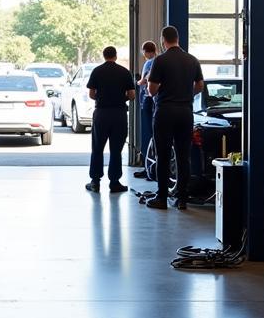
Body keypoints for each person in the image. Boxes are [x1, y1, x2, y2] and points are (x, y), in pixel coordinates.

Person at [146, 26, 204, 210]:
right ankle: (182, 199)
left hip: (165, 112)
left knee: (163, 155)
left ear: (163, 40)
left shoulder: (160, 60)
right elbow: (200, 85)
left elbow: (151, 89)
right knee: (182, 156)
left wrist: (162, 91)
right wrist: (187, 95)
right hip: (185, 112)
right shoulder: (192, 60)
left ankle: (162, 198)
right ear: (178, 39)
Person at [85, 46, 136, 194]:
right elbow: (132, 95)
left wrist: (102, 98)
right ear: (115, 56)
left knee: (97, 148)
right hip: (119, 114)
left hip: (101, 114)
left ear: (104, 55)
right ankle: (114, 183)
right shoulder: (124, 72)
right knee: (116, 150)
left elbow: (91, 94)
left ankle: (95, 182)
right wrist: (121, 98)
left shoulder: (97, 71)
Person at [133, 40, 157, 179]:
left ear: (146, 51)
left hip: (147, 100)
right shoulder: (159, 61)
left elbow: (144, 81)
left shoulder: (149, 63)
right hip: (155, 102)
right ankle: (151, 168)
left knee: (148, 134)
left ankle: (148, 167)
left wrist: (136, 82)